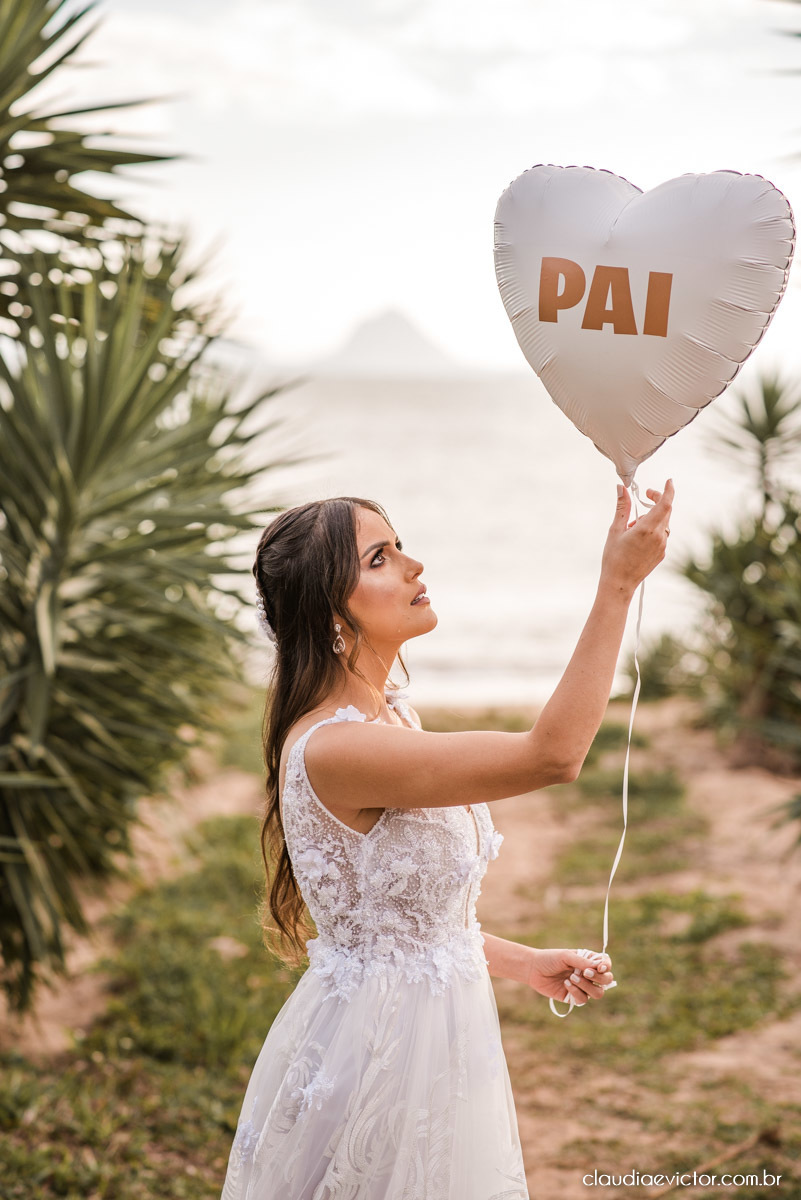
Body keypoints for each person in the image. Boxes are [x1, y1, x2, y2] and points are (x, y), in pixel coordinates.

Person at [220, 479, 674, 1200]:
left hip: (436, 1038)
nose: (413, 566)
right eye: (379, 558)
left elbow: (399, 924)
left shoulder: (390, 720)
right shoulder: (337, 749)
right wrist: (616, 586)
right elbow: (551, 755)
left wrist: (521, 962)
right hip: (379, 1059)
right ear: (330, 612)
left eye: (398, 546)